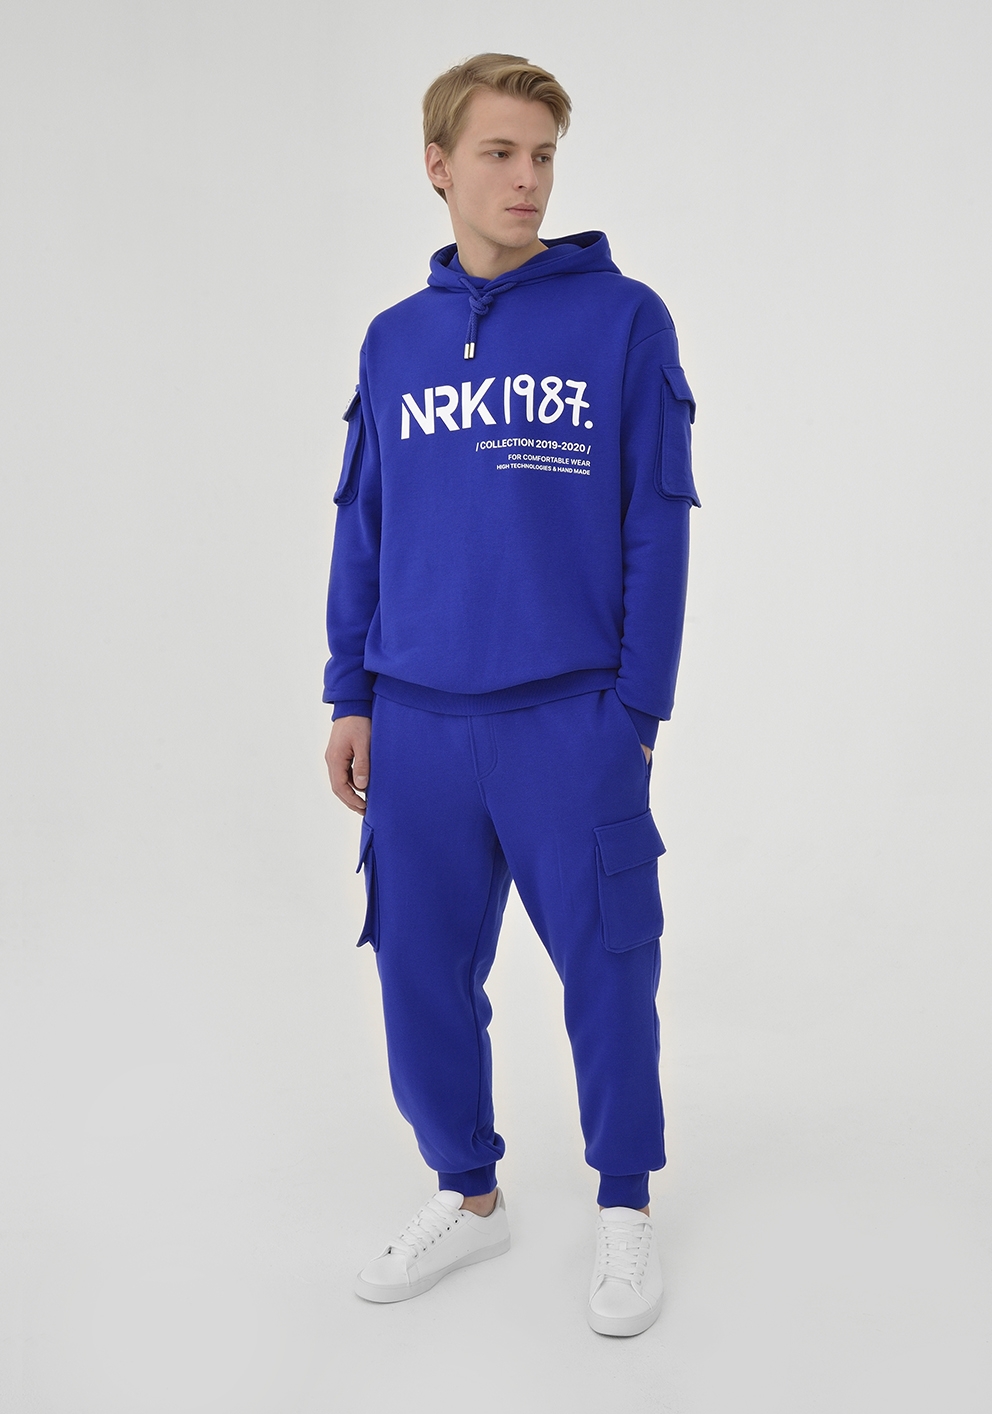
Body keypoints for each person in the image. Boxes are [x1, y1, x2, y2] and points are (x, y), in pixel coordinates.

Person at [323, 53, 699, 1338]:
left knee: (610, 966)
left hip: (568, 716)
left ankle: (624, 1201)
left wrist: (636, 712)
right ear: (438, 165)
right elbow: (364, 526)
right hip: (417, 719)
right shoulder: (394, 340)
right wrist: (349, 691)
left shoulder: (622, 320)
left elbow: (656, 521)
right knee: (417, 971)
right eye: (499, 153)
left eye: (542, 155)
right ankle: (467, 1192)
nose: (527, 179)